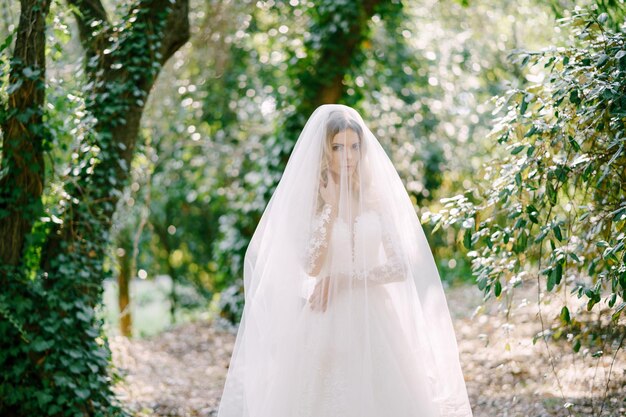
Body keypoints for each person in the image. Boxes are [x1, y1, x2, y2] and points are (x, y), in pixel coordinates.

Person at [216, 104, 473, 417]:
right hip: (325, 321)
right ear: (325, 151)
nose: (348, 156)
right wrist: (331, 209)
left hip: (375, 317)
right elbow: (311, 266)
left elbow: (400, 266)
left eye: (354, 147)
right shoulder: (311, 202)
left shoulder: (373, 196)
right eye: (338, 147)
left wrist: (344, 280)